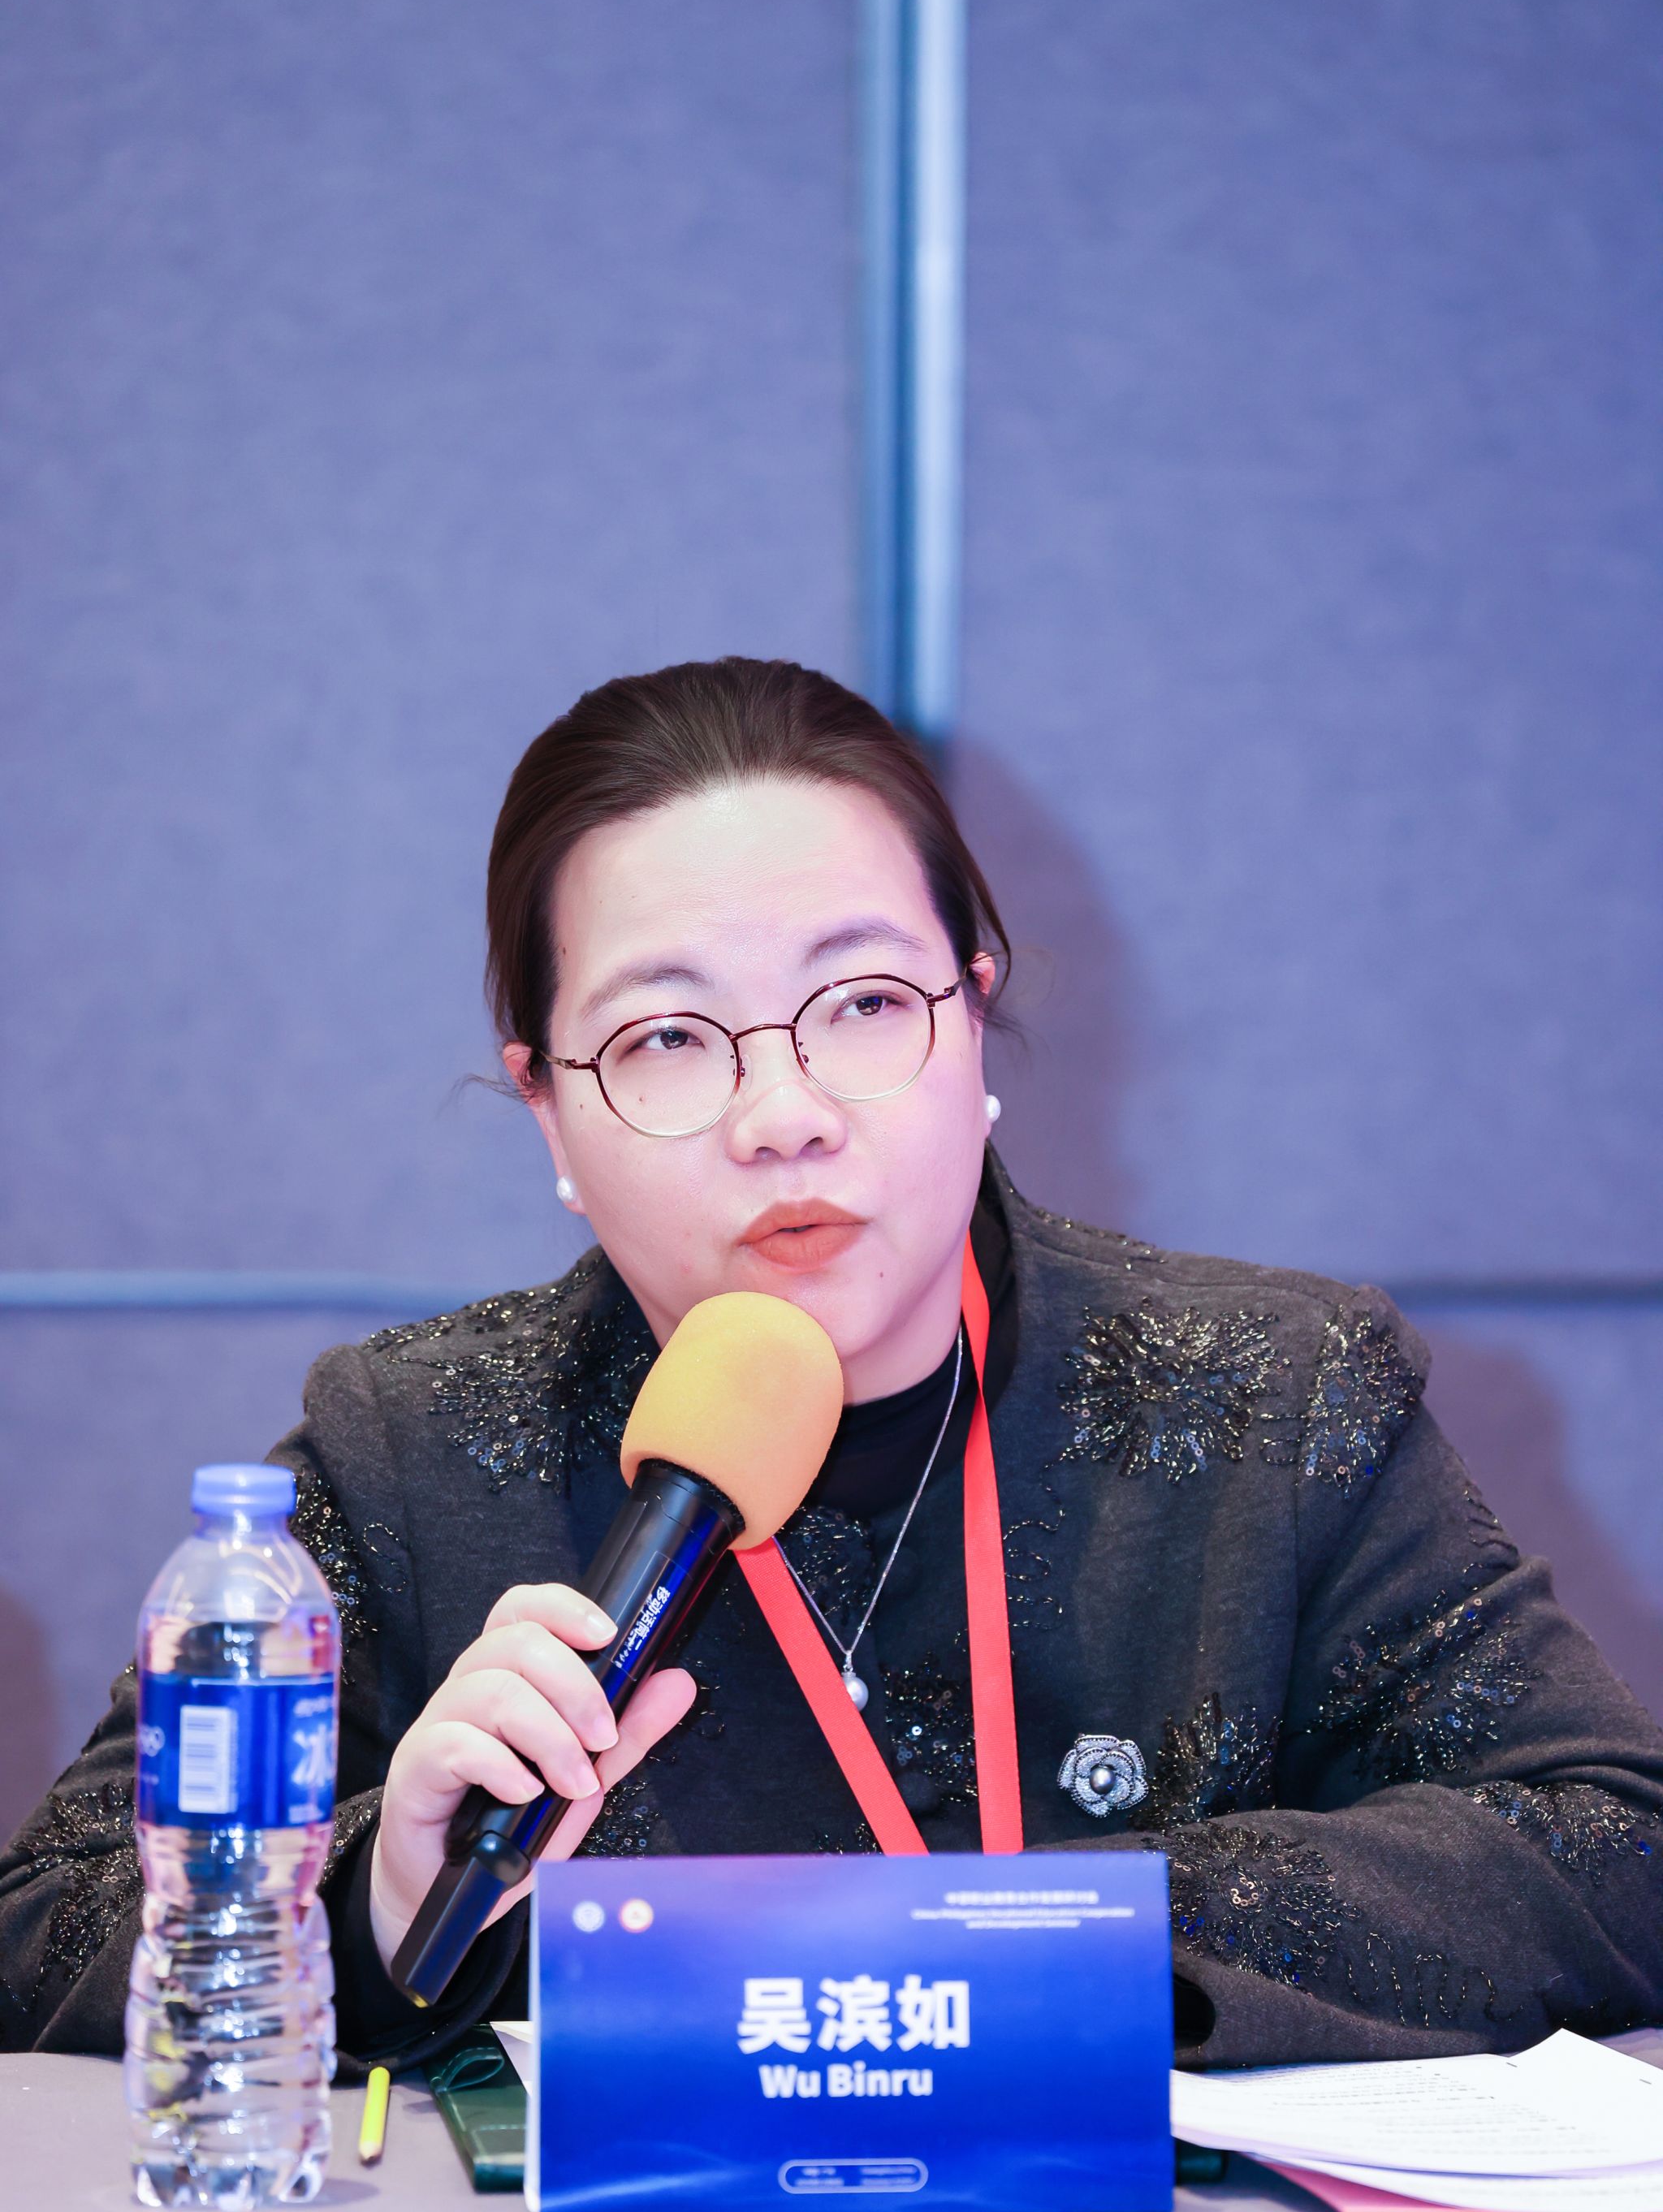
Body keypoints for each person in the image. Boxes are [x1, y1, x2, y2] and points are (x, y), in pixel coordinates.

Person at [4, 657, 1661, 2078]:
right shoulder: (418, 1450)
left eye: (863, 1002)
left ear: (973, 1020)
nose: (783, 1111)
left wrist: (1049, 1940)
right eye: (666, 1038)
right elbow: (47, 1925)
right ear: (550, 1115)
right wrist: (372, 1893)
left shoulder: (1266, 1397)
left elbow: (1610, 1840)